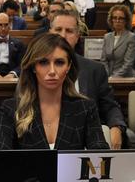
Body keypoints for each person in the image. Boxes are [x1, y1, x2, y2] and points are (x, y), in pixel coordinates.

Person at [0, 33, 108, 150]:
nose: (52, 71)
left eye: (59, 62)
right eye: (43, 62)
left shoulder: (85, 108)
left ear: (68, 67)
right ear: (33, 67)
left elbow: (101, 155)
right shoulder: (11, 108)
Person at [50, 10, 127, 149]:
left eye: (69, 31)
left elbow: (109, 106)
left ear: (77, 36)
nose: (62, 35)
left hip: (85, 140)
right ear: (50, 33)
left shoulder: (94, 69)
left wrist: (116, 126)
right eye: (58, 29)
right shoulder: (34, 67)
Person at [101, 5, 135, 77]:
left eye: (121, 18)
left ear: (126, 20)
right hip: (108, 77)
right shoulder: (107, 37)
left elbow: (128, 63)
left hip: (125, 78)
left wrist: (114, 77)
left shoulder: (131, 37)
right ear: (111, 20)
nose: (117, 21)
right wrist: (106, 75)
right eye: (114, 18)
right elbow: (103, 60)